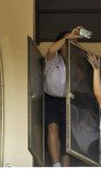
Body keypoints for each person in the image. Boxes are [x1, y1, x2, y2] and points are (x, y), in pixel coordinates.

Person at [44, 26, 81, 167]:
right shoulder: (53, 59)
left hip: (69, 101)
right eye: (69, 41)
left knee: (67, 136)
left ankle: (65, 169)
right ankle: (56, 165)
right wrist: (67, 37)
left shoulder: (76, 62)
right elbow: (51, 50)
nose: (72, 44)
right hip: (52, 100)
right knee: (53, 128)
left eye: (74, 42)